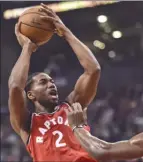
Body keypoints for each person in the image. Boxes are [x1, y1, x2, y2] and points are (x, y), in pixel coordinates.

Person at [8, 3, 100, 162]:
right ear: (30, 94)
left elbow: (93, 70)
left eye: (51, 81)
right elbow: (15, 87)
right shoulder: (27, 124)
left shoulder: (72, 106)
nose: (51, 84)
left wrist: (66, 32)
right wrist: (27, 48)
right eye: (43, 82)